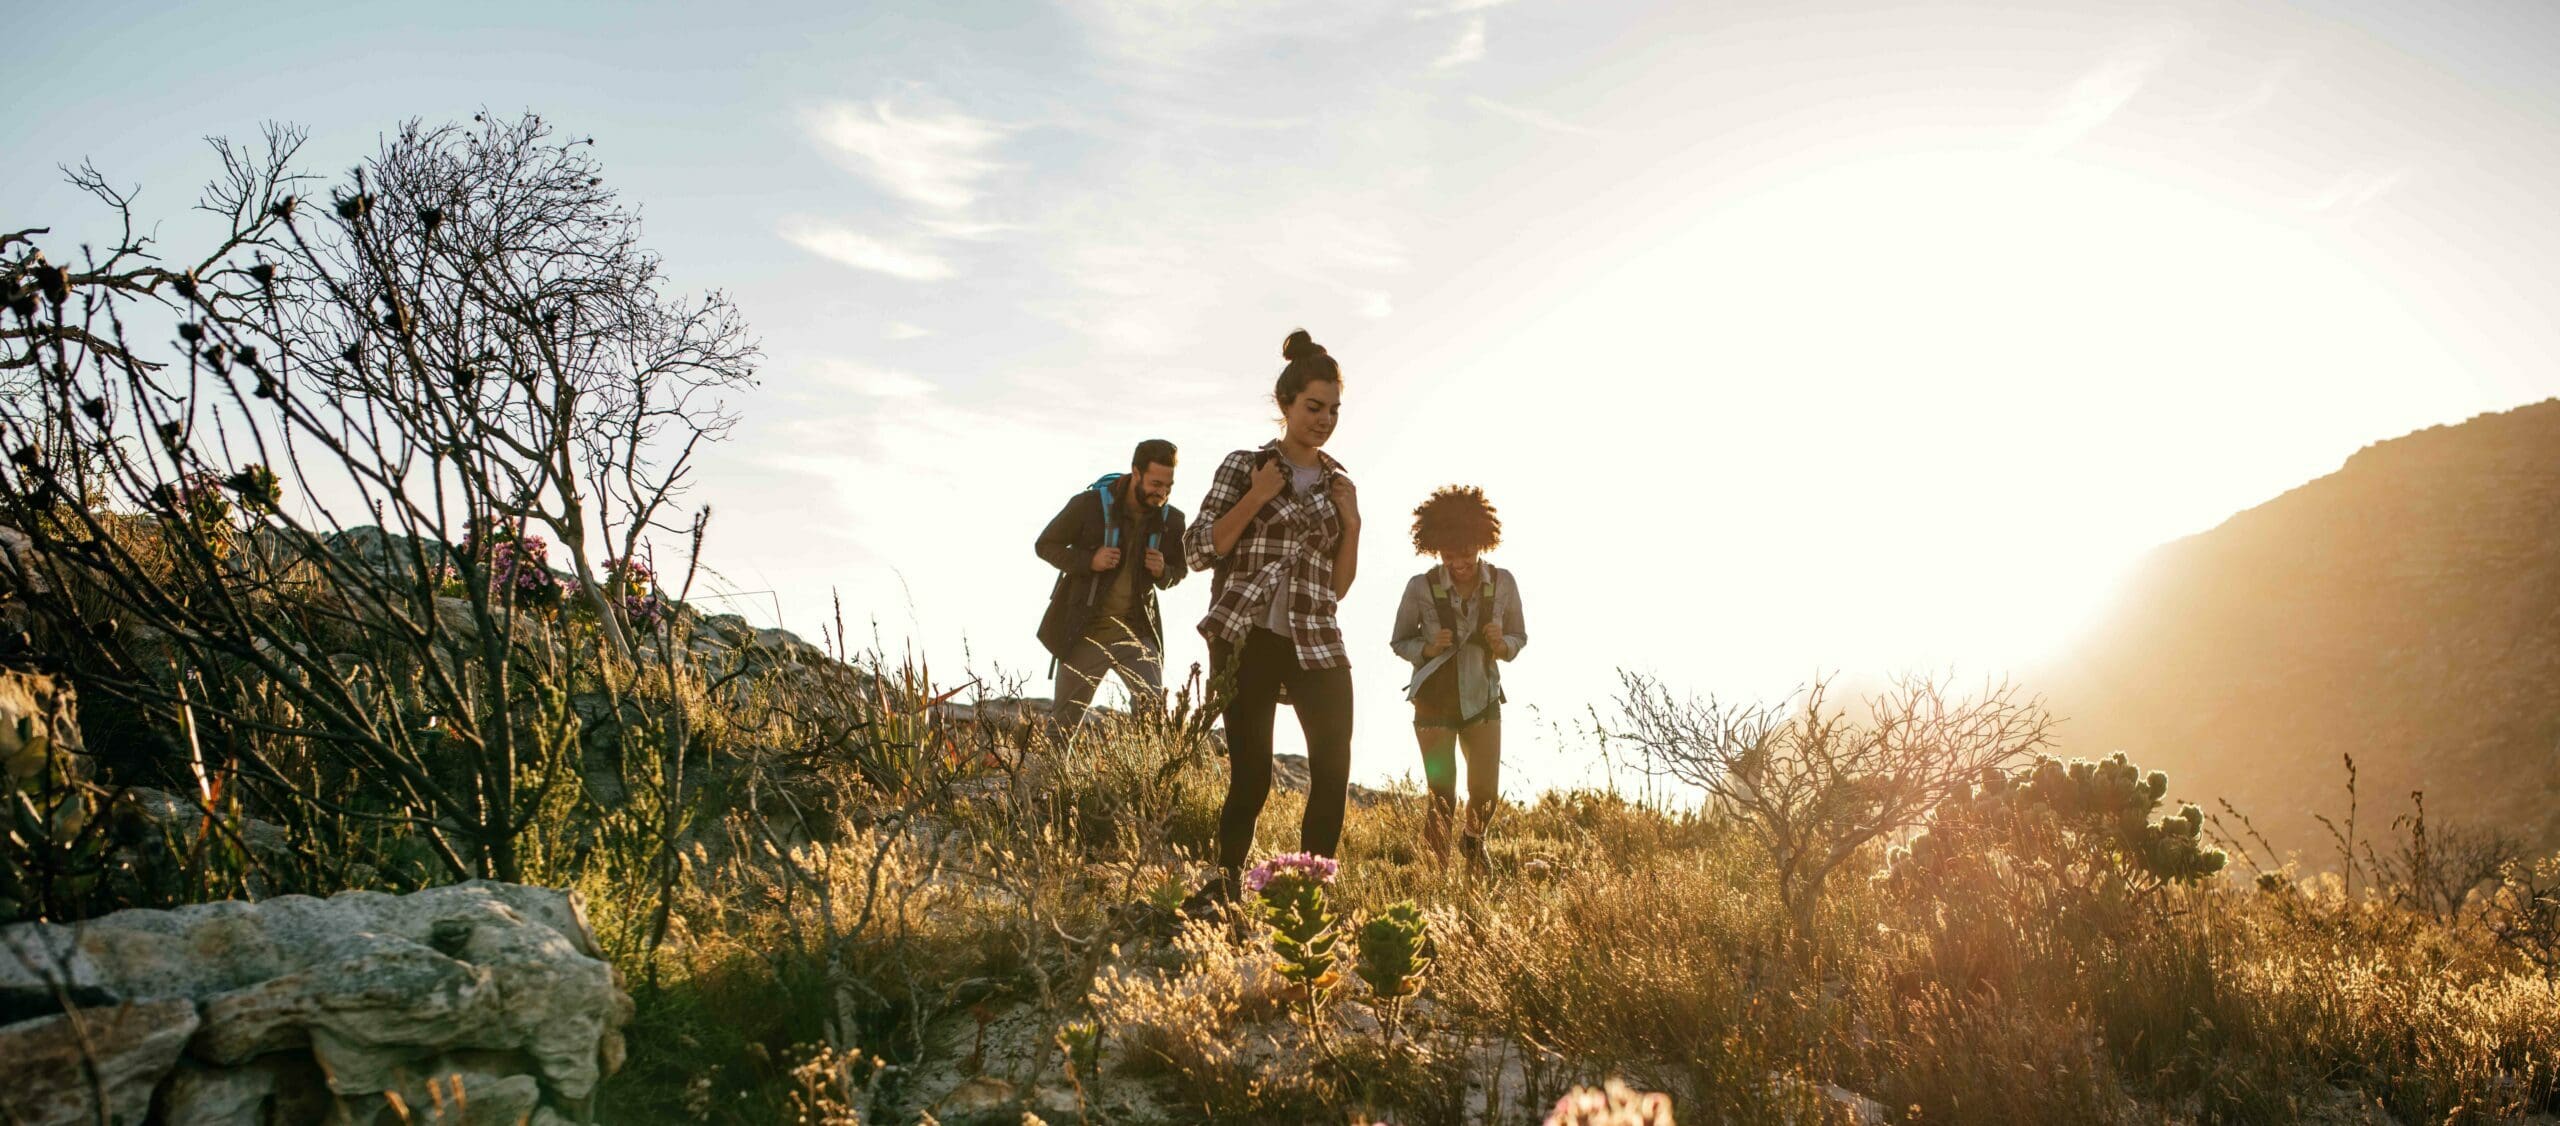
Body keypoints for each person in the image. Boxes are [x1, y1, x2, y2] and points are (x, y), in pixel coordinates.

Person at [1180, 329, 1361, 913]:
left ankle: (1307, 899)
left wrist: (1352, 524)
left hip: (1317, 641)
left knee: (1333, 771)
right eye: (1314, 407)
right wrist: (1256, 496)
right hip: (1246, 633)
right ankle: (1227, 888)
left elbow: (1336, 589)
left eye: (1334, 410)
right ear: (1285, 404)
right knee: (1253, 773)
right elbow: (1198, 550)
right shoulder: (1244, 465)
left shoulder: (1340, 485)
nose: (1324, 420)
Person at [1389, 486, 1525, 875]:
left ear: (1482, 543)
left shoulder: (1503, 583)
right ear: (1436, 549)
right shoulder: (1419, 587)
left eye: (1466, 553)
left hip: (1483, 697)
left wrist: (1504, 645)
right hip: (1432, 700)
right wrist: (1427, 649)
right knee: (1442, 794)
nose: (1460, 563)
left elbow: (1520, 636)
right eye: (1450, 555)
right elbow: (1400, 640)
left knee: (1484, 794)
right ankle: (1435, 876)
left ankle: (1473, 840)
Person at [1036, 439, 1188, 732]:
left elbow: (1179, 570)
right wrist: (1088, 560)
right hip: (1084, 632)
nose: (1162, 492)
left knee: (1153, 720)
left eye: (1168, 486)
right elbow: (1045, 545)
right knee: (1062, 729)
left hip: (1138, 633)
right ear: (1135, 472)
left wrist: (1163, 572)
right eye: (1156, 483)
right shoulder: (1089, 505)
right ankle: (1047, 779)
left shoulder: (1173, 520)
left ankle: (1146, 779)